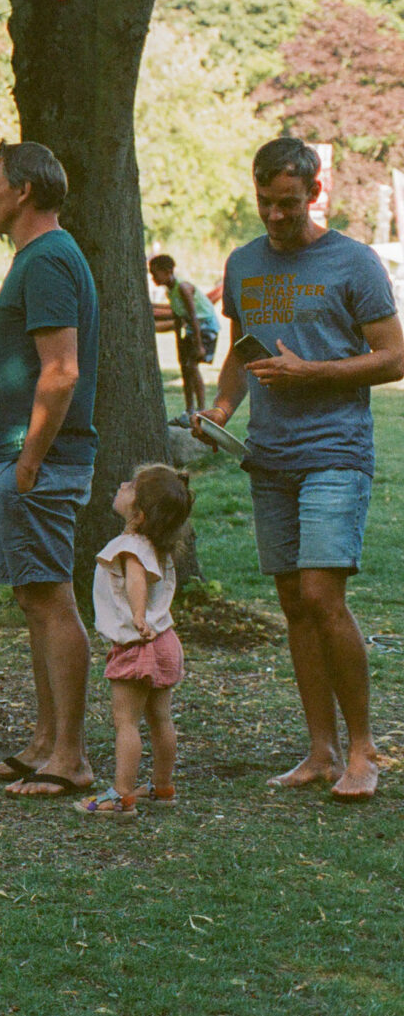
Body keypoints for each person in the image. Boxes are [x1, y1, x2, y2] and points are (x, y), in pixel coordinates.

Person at [197, 137, 403, 802]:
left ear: (314, 194)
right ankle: (319, 750)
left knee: (321, 594)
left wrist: (313, 372)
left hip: (336, 448)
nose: (276, 216)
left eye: (288, 204)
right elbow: (240, 349)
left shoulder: (354, 261)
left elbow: (395, 356)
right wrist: (221, 408)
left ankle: (363, 747)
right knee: (292, 602)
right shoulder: (243, 262)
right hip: (269, 454)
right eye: (265, 202)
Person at [0, 142, 100, 799]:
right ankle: (45, 741)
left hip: (37, 459)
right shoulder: (36, 258)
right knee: (34, 601)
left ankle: (70, 755)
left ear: (24, 192)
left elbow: (63, 369)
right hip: (18, 453)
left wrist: (30, 460)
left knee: (51, 599)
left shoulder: (47, 259)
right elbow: (32, 359)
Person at [76, 466, 194, 819]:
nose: (122, 485)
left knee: (125, 721)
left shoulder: (129, 546)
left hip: (137, 644)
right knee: (160, 718)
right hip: (165, 640)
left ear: (139, 514)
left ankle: (121, 795)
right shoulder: (159, 545)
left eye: (131, 486)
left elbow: (136, 581)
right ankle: (162, 787)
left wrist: (138, 616)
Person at [150, 254, 219, 415]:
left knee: (192, 366)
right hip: (191, 328)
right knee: (184, 368)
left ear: (167, 272)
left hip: (205, 327)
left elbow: (193, 316)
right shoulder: (170, 291)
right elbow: (177, 318)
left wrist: (199, 345)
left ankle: (201, 410)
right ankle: (189, 411)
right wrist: (179, 342)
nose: (152, 277)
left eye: (155, 273)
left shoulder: (183, 288)